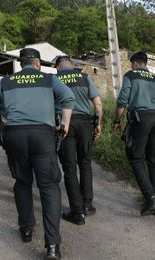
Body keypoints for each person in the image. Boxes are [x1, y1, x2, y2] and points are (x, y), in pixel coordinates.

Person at [0, 48, 75, 260]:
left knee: (22, 183)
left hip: (15, 135)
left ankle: (26, 229)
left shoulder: (7, 81)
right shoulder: (49, 79)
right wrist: (64, 124)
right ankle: (52, 245)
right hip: (43, 135)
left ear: (22, 64)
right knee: (49, 186)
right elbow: (68, 98)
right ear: (38, 64)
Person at [113, 51, 155, 216]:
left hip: (140, 119)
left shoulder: (131, 75)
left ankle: (151, 198)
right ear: (145, 63)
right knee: (153, 160)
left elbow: (122, 100)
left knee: (135, 158)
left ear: (134, 63)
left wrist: (117, 120)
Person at [54, 56, 103, 225]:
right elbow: (98, 105)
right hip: (85, 123)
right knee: (85, 163)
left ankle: (77, 211)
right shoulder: (85, 77)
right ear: (73, 66)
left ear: (58, 68)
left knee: (69, 167)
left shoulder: (54, 79)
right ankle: (88, 204)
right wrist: (98, 125)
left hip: (65, 124)